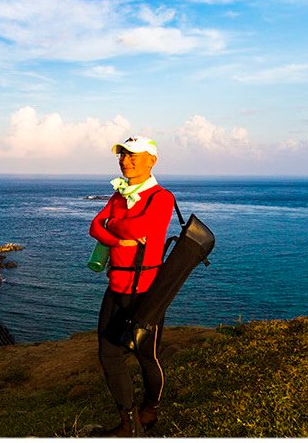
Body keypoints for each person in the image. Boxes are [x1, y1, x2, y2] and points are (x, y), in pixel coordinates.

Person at [89, 135, 174, 437]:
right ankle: (129, 422)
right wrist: (115, 235)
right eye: (122, 155)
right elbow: (93, 227)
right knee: (108, 354)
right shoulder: (119, 196)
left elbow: (135, 227)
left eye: (133, 155)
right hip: (116, 286)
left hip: (146, 293)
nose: (126, 160)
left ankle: (150, 408)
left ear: (152, 159)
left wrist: (111, 226)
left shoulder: (161, 198)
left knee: (145, 355)